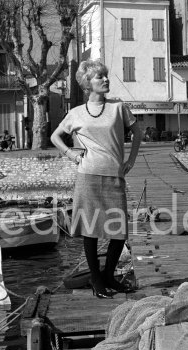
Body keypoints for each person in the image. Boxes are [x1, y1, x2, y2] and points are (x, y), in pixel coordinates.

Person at [50, 59, 142, 299]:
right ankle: (96, 279)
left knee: (118, 232)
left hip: (114, 176)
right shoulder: (76, 113)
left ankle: (109, 275)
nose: (105, 79)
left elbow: (138, 132)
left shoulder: (118, 108)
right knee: (90, 231)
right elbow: (55, 137)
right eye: (99, 77)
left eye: (105, 75)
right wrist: (72, 155)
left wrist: (130, 161)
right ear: (87, 84)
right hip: (87, 177)